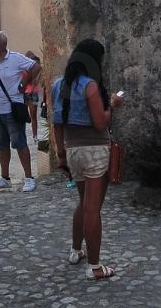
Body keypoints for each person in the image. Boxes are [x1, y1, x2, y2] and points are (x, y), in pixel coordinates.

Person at [51, 37, 125, 280]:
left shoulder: (59, 85)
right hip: (95, 150)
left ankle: (75, 250)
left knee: (83, 203)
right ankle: (95, 267)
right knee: (93, 210)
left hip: (72, 150)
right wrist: (112, 104)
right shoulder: (90, 86)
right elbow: (100, 121)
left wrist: (61, 154)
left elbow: (57, 123)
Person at [0, 32, 39, 193]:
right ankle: (4, 178)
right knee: (2, 145)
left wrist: (24, 83)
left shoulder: (15, 58)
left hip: (12, 108)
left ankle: (29, 178)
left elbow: (36, 66)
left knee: (20, 143)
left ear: (4, 44)